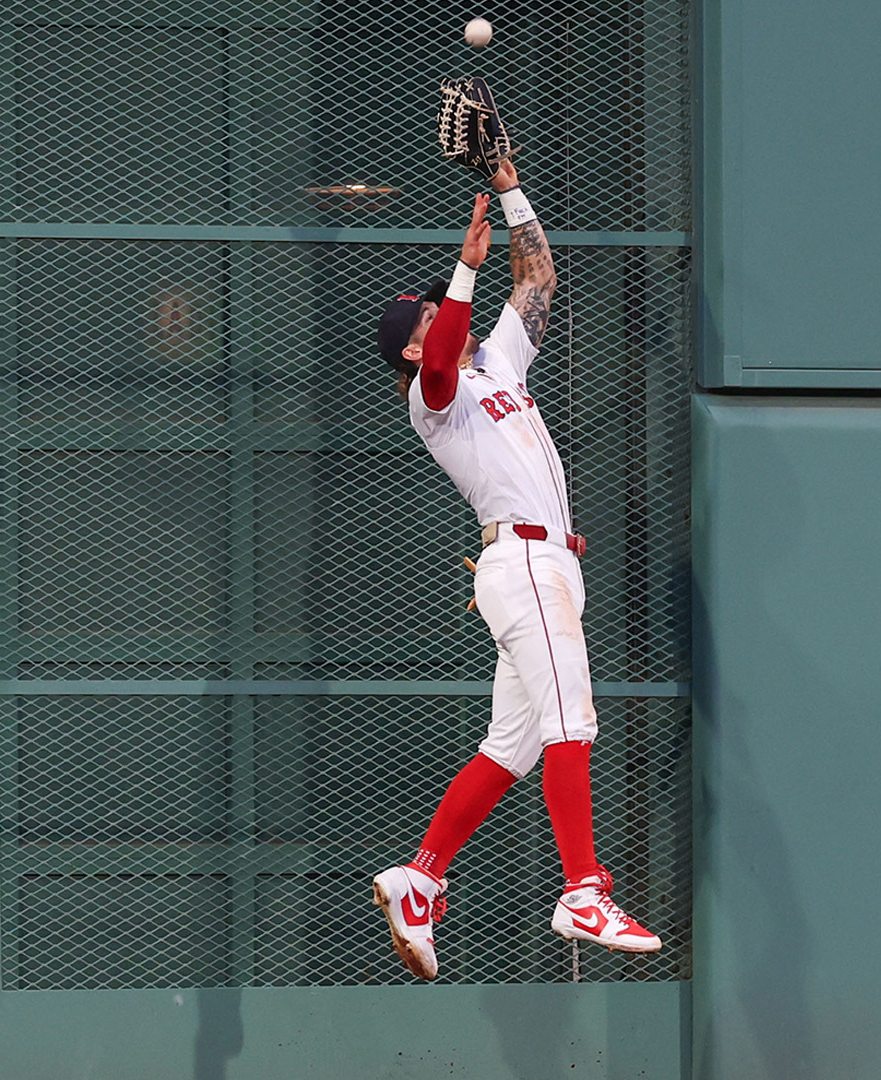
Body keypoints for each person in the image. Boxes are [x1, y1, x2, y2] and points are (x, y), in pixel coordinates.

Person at [368, 161, 661, 979]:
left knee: (514, 746)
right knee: (577, 720)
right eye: (433, 314)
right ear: (421, 339)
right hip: (523, 560)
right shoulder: (434, 398)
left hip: (550, 566)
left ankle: (421, 878)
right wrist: (462, 269)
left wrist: (508, 184)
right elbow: (438, 358)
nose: (445, 312)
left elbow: (539, 276)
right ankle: (583, 889)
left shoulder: (494, 363)